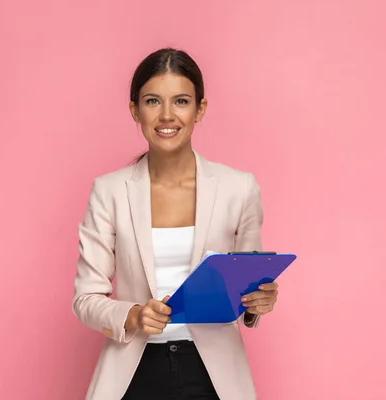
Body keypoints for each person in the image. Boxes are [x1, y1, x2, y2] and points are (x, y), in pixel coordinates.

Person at [71, 48, 279, 400]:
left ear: (200, 109)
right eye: (153, 101)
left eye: (181, 101)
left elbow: (245, 284)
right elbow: (86, 298)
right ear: (135, 109)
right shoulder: (108, 191)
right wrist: (134, 315)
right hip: (133, 371)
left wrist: (258, 301)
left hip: (212, 374)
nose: (167, 115)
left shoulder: (239, 188)